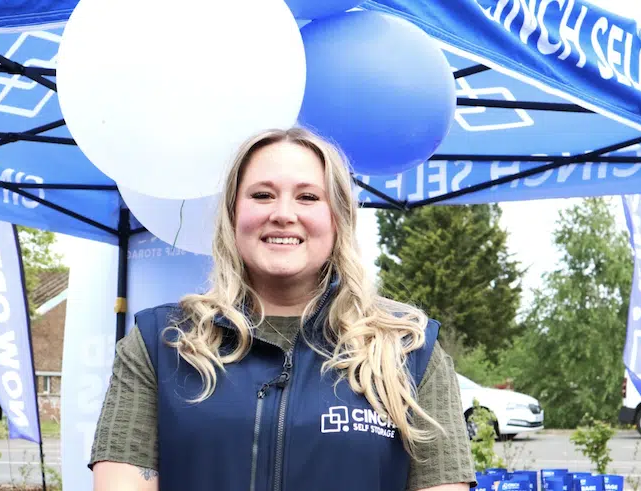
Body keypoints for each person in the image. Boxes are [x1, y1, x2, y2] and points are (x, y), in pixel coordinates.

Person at [89, 127, 476, 491]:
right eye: (262, 195)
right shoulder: (161, 343)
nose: (283, 214)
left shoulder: (408, 349)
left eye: (308, 197)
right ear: (233, 214)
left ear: (338, 218)